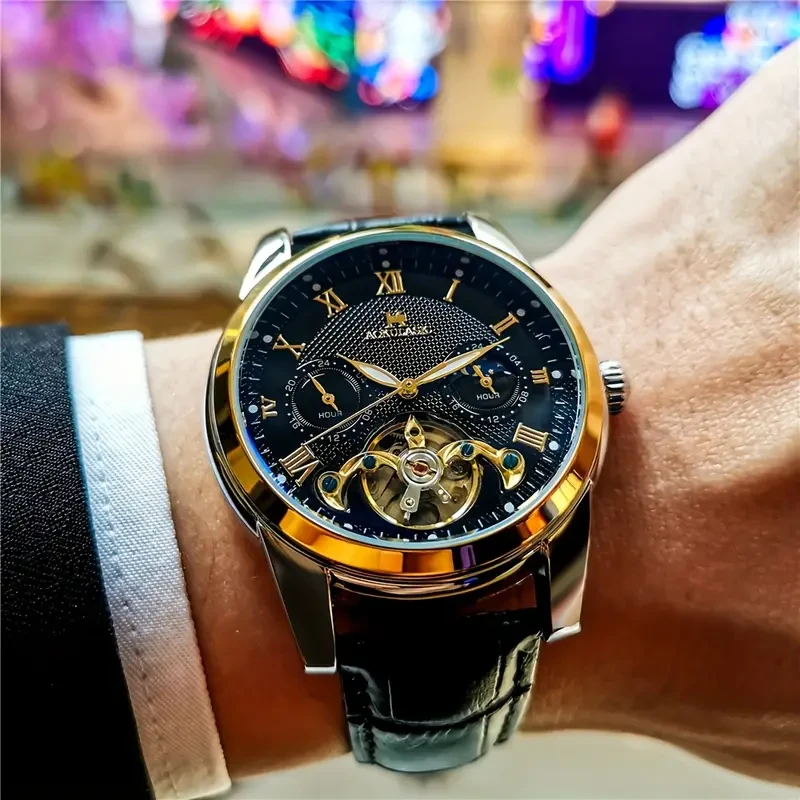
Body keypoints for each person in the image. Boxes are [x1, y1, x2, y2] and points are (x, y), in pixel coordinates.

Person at [2, 42, 798, 799]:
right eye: (386, 381)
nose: (411, 392)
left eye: (443, 373)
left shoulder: (552, 389)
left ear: (602, 390)